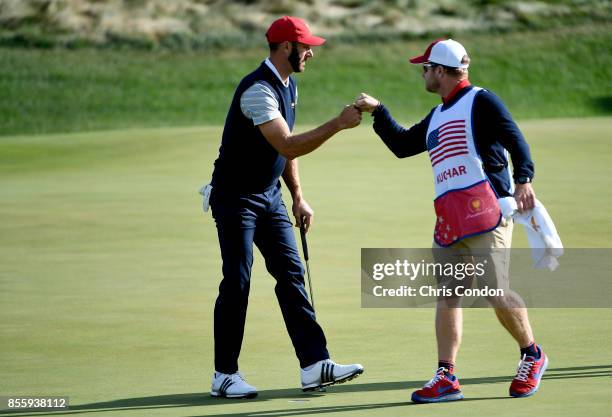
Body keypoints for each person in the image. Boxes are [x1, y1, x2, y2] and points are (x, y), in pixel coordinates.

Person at [355, 39, 548, 402]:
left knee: (494, 288)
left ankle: (532, 354)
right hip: (450, 218)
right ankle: (446, 376)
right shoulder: (437, 115)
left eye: (425, 68)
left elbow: (515, 140)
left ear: (440, 71)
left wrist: (524, 178)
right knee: (448, 296)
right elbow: (403, 145)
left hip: (486, 212)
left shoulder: (481, 100)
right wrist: (379, 112)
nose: (423, 74)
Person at [207, 16, 364, 399]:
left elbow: (286, 150)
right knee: (238, 280)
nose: (311, 52)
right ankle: (224, 375)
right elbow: (289, 145)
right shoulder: (257, 91)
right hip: (235, 198)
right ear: (285, 48)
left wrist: (297, 195)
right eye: (305, 46)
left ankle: (314, 364)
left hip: (269, 196)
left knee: (291, 274)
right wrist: (339, 125)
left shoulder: (287, 85)